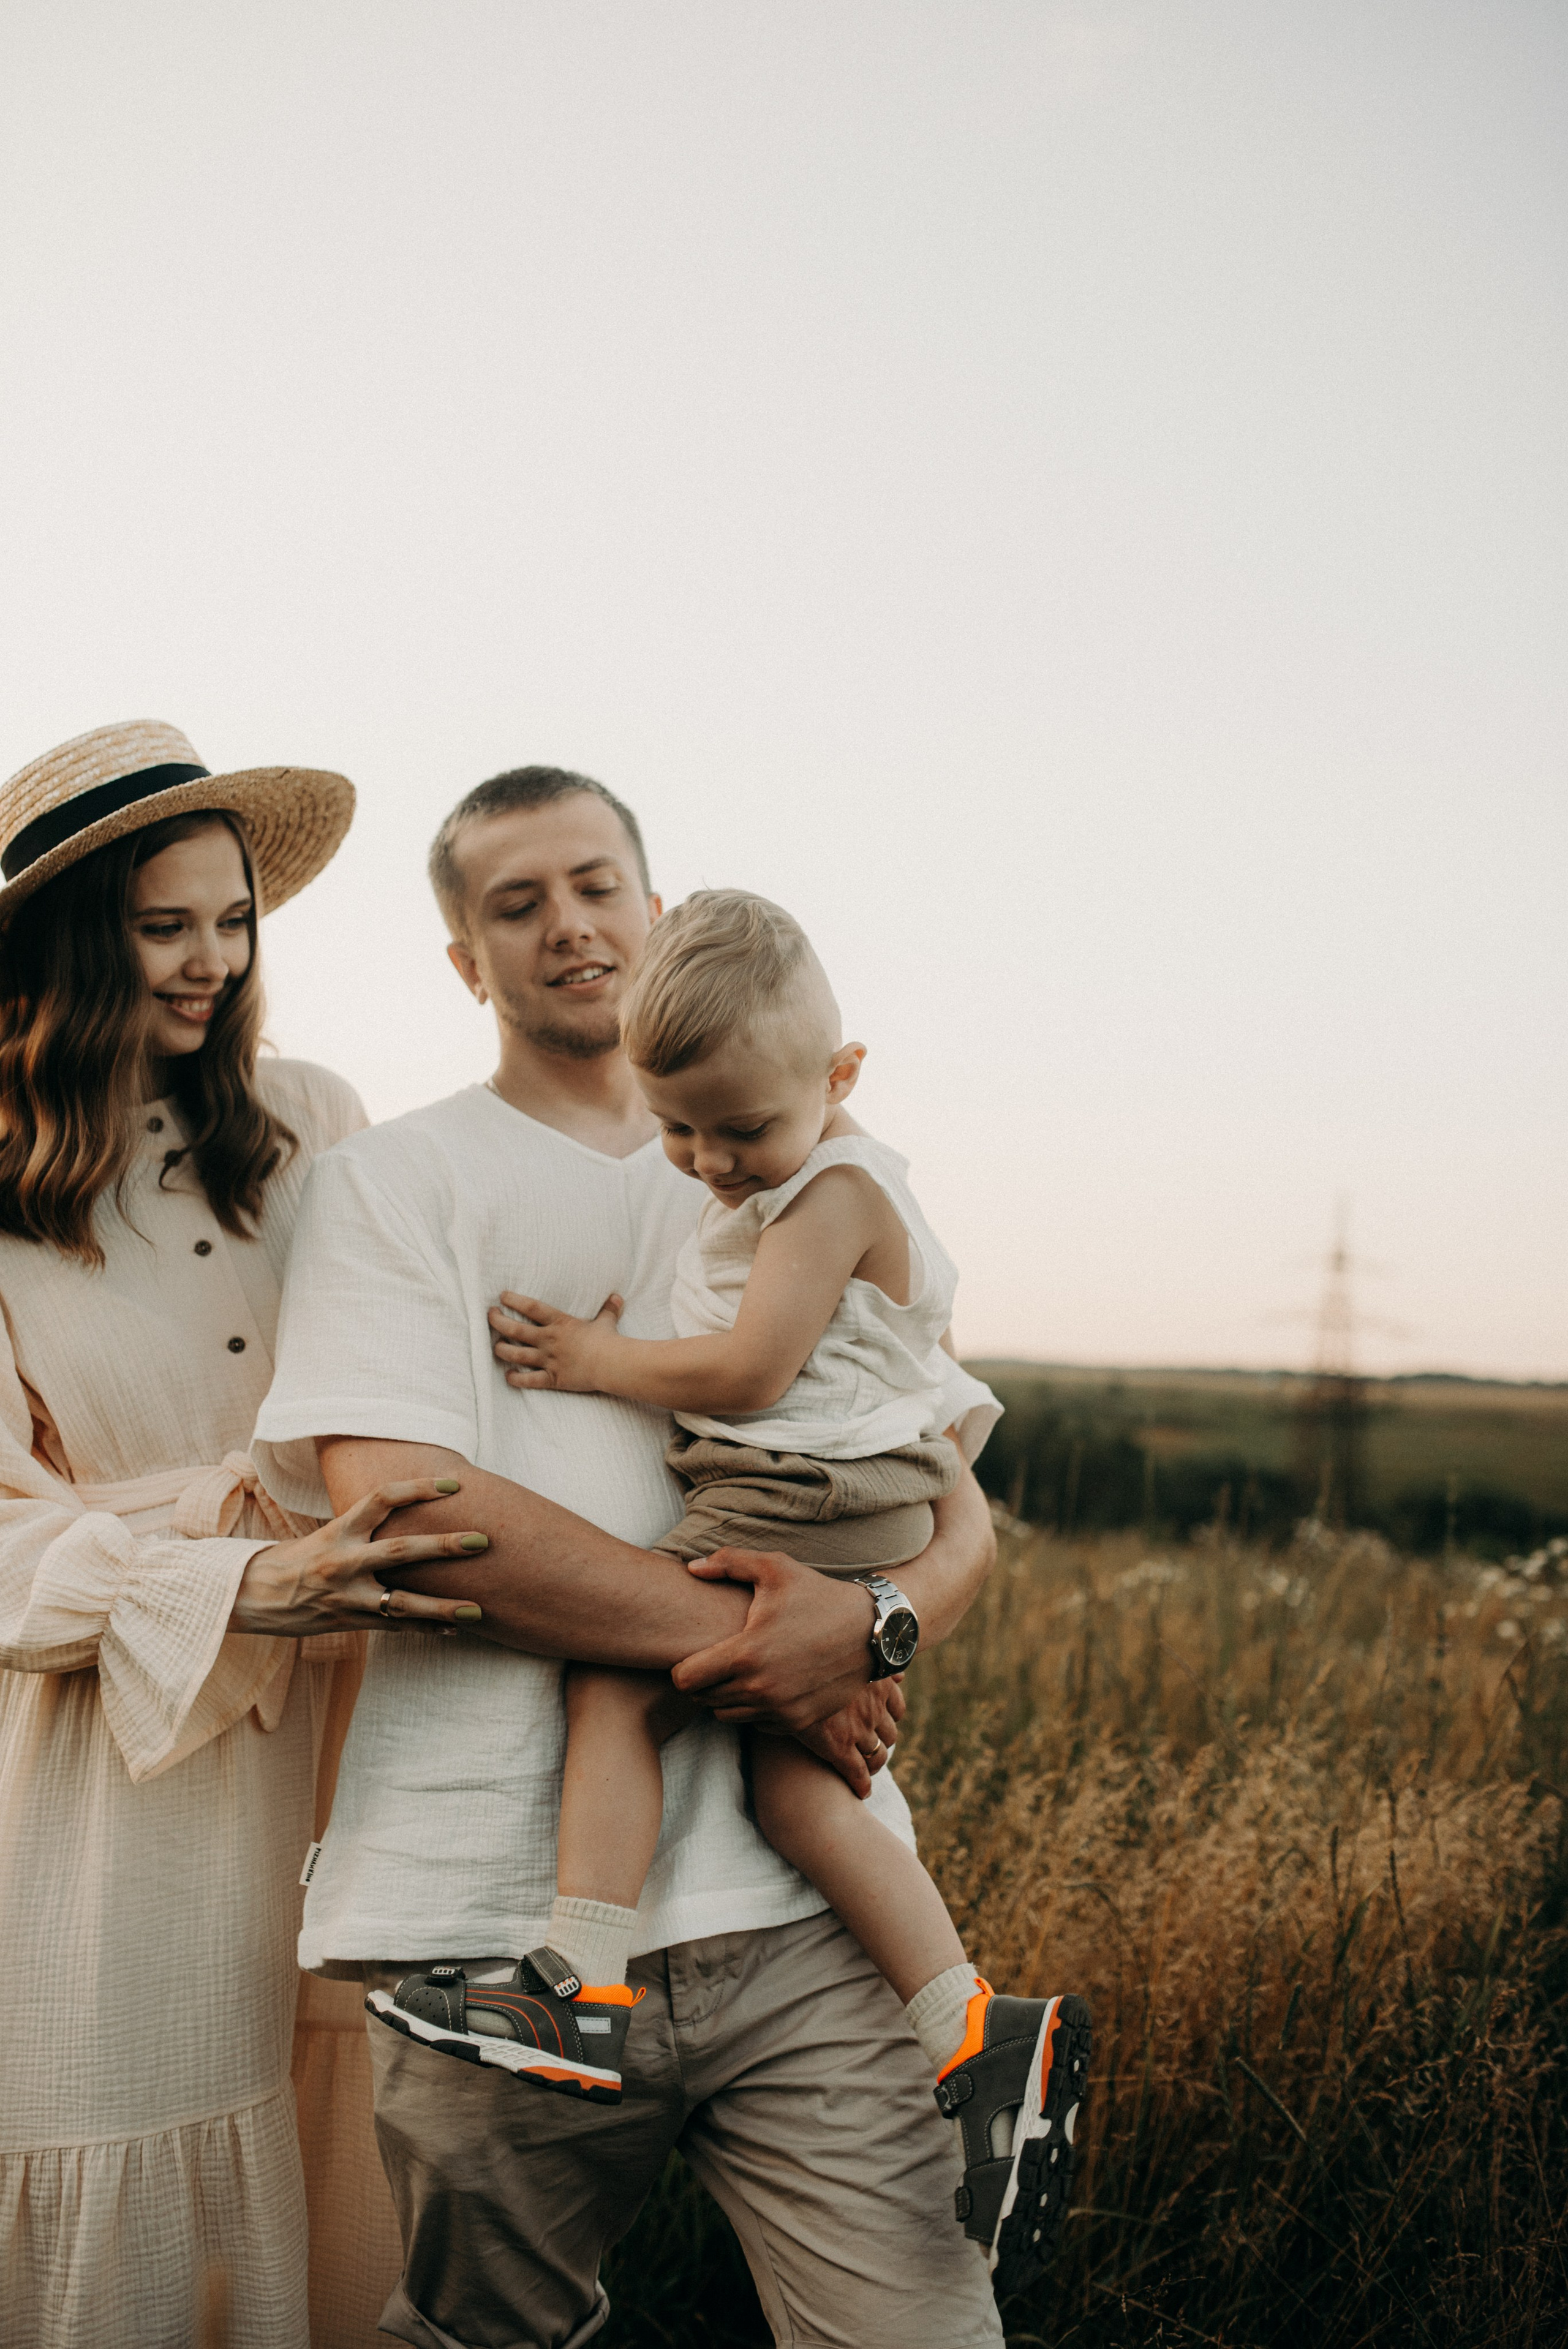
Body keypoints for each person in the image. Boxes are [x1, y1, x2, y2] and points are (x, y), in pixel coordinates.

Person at [251, 764, 1014, 2349]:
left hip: (799, 1898)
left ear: (658, 912)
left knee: (924, 2331)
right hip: (493, 1918)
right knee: (487, 2334)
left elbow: (941, 1493)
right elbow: (414, 1511)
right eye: (515, 904)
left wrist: (870, 1625)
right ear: (466, 962)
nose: (569, 926)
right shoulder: (390, 1183)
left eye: (598, 884)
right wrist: (776, 1643)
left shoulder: (790, 1165)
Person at [371, 886, 1092, 2296]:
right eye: (677, 1126)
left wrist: (594, 1362)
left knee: (616, 1678)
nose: (706, 1159)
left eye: (738, 1128)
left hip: (805, 1493)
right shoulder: (791, 1173)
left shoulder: (831, 1189)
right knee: (795, 1791)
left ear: (841, 1078)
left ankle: (577, 1979)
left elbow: (753, 1371)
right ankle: (970, 2029)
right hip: (848, 1493)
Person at [0, 721, 488, 2349]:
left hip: (348, 1723)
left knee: (331, 2097)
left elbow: (426, 1342)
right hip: (111, 1747)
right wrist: (244, 1579)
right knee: (132, 2095)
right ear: (73, 944)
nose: (215, 960)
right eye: (165, 926)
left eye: (236, 918)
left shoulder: (309, 1116)